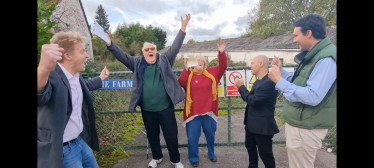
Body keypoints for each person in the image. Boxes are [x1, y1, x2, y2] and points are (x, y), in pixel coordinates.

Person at [100, 14, 191, 168]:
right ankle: (156, 158)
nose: (150, 51)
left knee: (171, 135)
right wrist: (110, 43)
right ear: (143, 53)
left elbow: (175, 47)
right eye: (147, 49)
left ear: (156, 51)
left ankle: (175, 160)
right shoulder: (136, 63)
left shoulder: (165, 60)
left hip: (165, 108)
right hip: (147, 109)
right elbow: (121, 56)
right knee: (152, 135)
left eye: (153, 49)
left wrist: (183, 29)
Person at [268, 14, 336, 168]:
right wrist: (282, 72)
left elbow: (313, 96)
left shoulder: (326, 58)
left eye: (296, 35)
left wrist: (279, 81)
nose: (294, 40)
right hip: (302, 126)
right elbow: (302, 82)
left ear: (309, 33)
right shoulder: (315, 55)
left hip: (306, 129)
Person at [37, 31, 110, 168]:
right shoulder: (50, 76)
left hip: (79, 142)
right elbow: (40, 95)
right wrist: (42, 69)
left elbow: (84, 86)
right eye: (83, 51)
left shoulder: (74, 75)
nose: (87, 55)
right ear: (68, 56)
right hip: (63, 149)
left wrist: (100, 79)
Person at [178, 40, 228, 167]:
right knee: (192, 138)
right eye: (197, 60)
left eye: (202, 60)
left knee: (210, 136)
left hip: (209, 112)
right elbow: (181, 83)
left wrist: (221, 53)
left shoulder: (212, 73)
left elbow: (223, 66)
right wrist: (185, 68)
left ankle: (211, 153)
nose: (200, 61)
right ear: (192, 63)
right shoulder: (188, 75)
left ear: (205, 64)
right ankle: (193, 158)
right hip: (193, 113)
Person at [234, 55, 279, 168]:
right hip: (251, 125)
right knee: (250, 149)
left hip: (263, 127)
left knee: (266, 155)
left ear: (261, 64)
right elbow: (250, 99)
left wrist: (241, 87)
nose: (250, 65)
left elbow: (253, 101)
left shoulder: (269, 82)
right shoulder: (258, 81)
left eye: (253, 63)